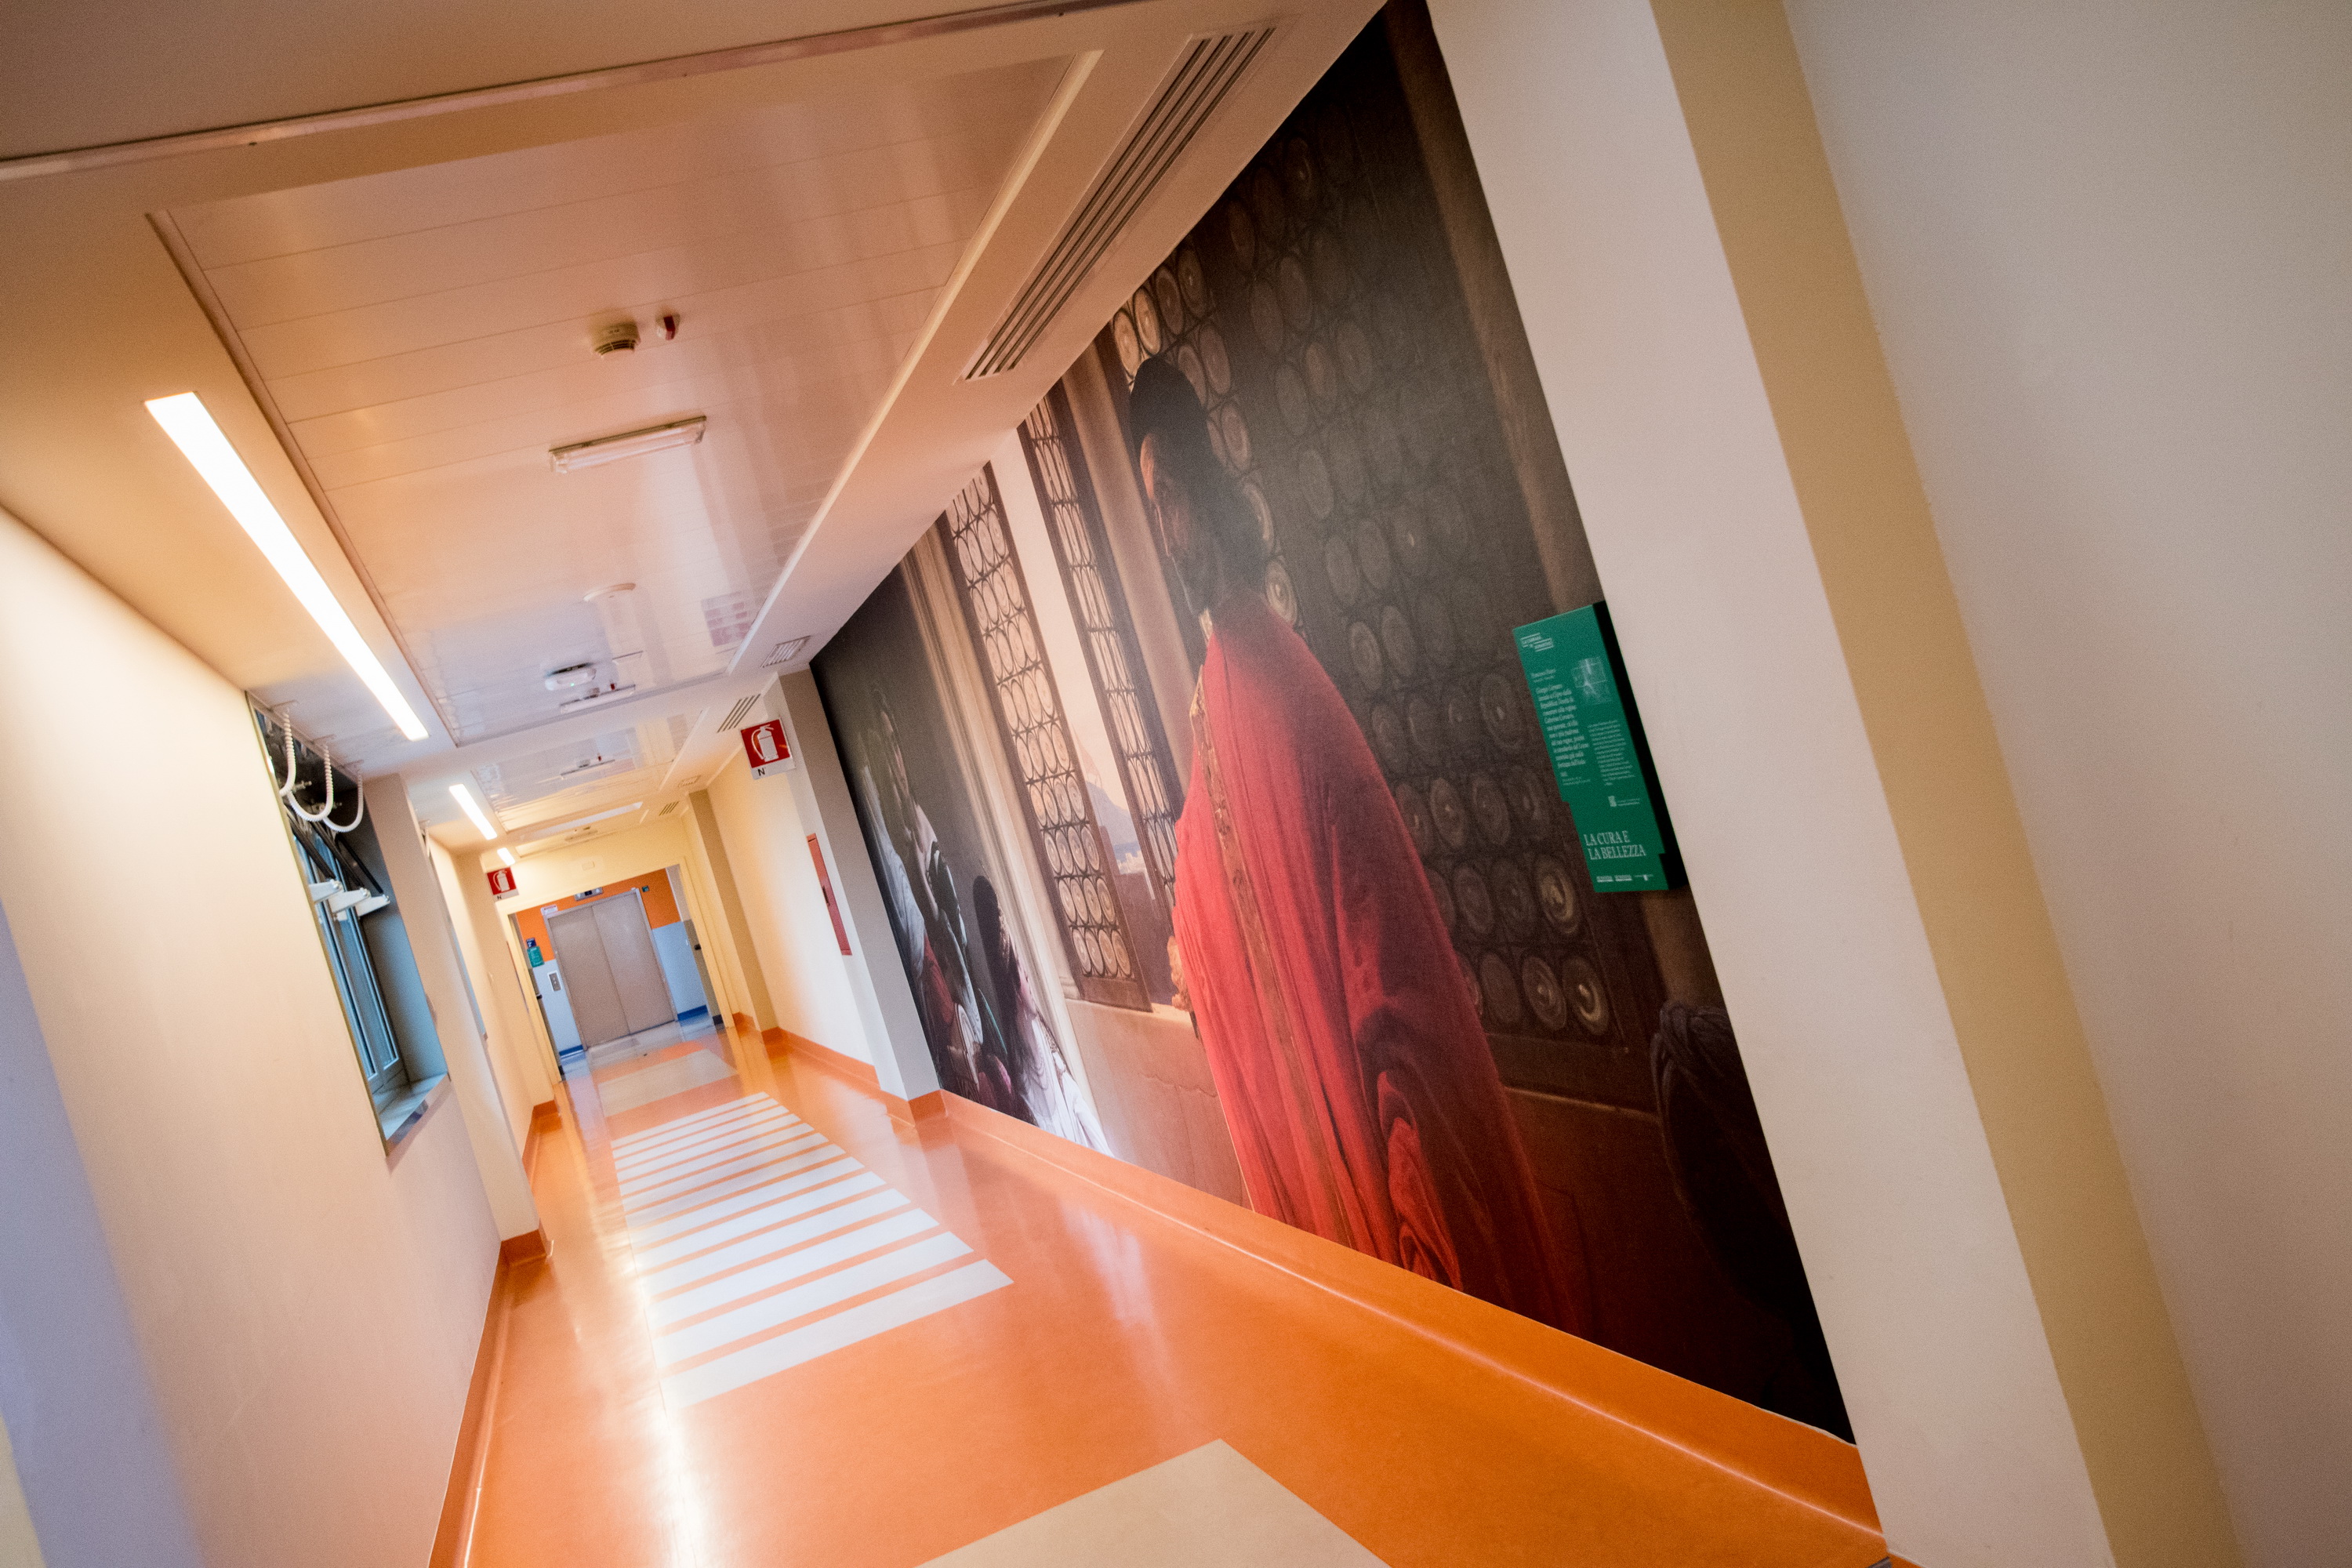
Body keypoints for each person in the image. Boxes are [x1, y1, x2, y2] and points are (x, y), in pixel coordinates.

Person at [1129, 354, 1589, 1334]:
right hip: (1326, 1181)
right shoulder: (1217, 690)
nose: (1167, 525)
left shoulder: (1280, 688)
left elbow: (1387, 974)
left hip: (1382, 1193)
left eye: (1170, 490)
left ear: (1206, 487)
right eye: (1150, 500)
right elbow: (1206, 896)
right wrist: (1191, 952)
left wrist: (1424, 1228)